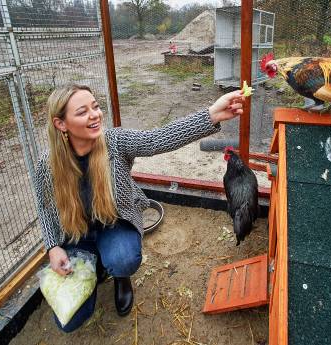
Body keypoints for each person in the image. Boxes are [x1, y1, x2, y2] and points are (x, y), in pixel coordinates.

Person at [34, 83, 245, 332]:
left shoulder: (115, 141)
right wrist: (53, 247)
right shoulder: (48, 165)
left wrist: (211, 115)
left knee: (123, 259)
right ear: (61, 124)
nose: (95, 115)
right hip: (77, 234)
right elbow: (45, 207)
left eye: (96, 107)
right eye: (82, 112)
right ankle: (98, 264)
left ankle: (120, 278)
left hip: (114, 222)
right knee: (69, 322)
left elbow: (157, 139)